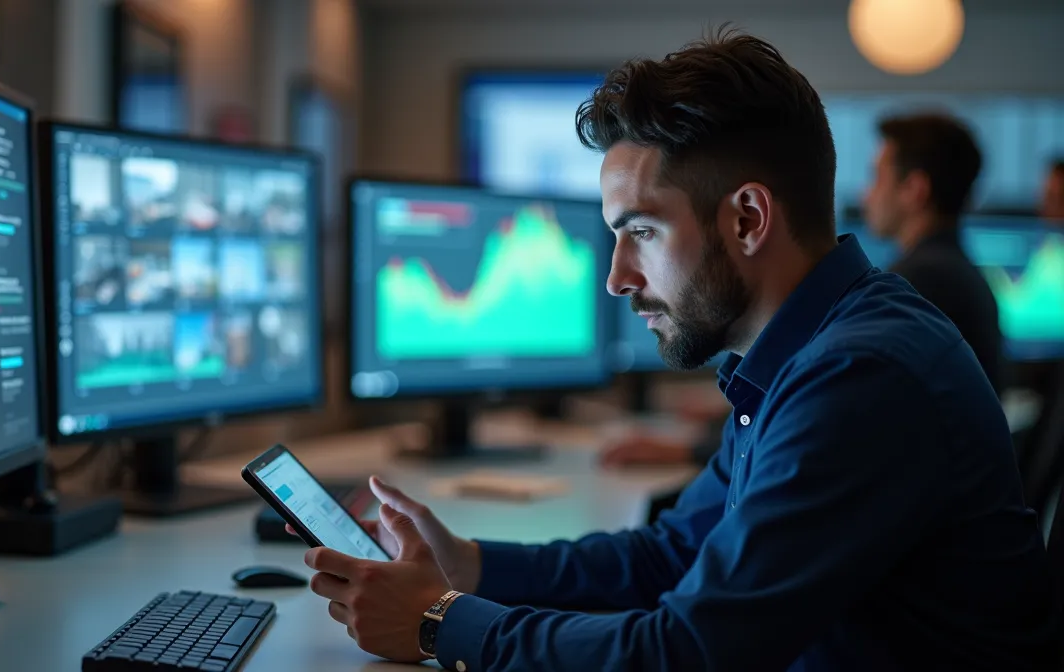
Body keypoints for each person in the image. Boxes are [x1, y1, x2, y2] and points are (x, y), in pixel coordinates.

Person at [299, 28, 1059, 671]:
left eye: (641, 232)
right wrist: (470, 563)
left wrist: (439, 624)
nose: (616, 279)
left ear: (748, 219)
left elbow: (691, 652)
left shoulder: (861, 375)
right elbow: (672, 554)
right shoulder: (798, 357)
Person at [862, 112, 1004, 394]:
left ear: (915, 189)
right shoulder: (955, 270)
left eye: (877, 177)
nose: (866, 195)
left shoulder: (916, 282)